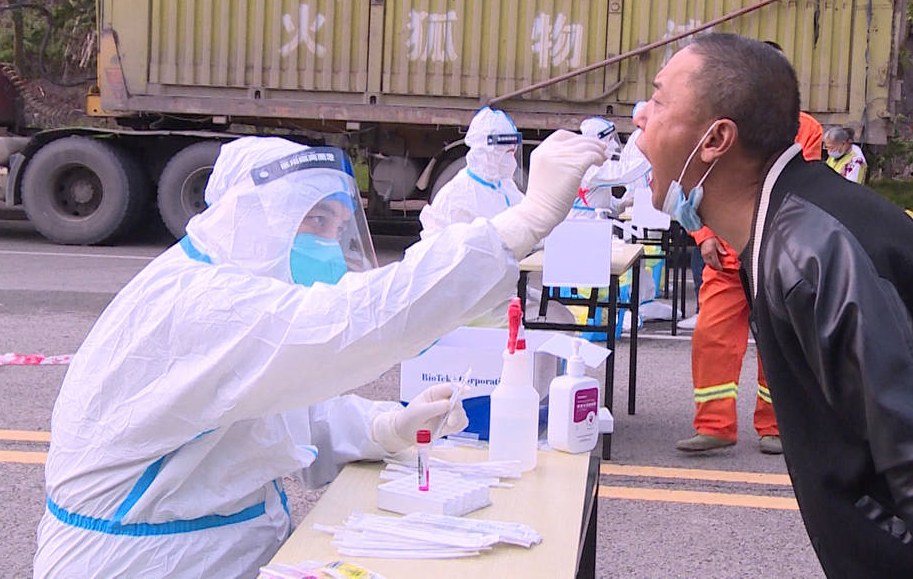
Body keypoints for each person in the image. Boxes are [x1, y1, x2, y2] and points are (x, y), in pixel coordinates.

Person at [35, 133, 607, 578]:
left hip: (206, 550)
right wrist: (520, 224)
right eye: (313, 221)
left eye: (337, 224)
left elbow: (271, 412)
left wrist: (384, 426)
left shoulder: (229, 292)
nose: (330, 242)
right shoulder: (204, 304)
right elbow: (359, 321)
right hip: (143, 564)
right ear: (251, 217)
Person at [636, 33, 913, 578]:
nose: (640, 118)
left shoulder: (810, 251)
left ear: (715, 139)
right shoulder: (788, 221)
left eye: (658, 100)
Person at [678, 113, 823, 454]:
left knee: (779, 343)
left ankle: (777, 427)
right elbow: (698, 185)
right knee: (711, 336)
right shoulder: (721, 127)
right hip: (725, 256)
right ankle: (714, 427)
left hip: (775, 256)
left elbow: (800, 190)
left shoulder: (805, 129)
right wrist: (703, 236)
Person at [419, 107, 524, 236]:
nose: (511, 160)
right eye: (507, 152)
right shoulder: (457, 196)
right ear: (485, 151)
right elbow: (443, 244)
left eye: (513, 152)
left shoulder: (505, 186)